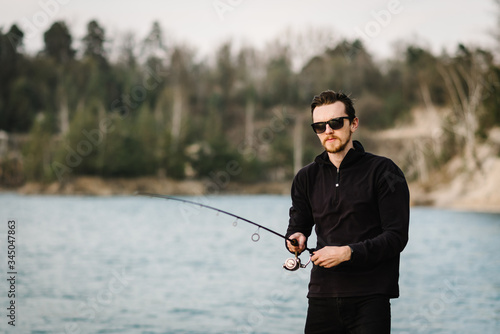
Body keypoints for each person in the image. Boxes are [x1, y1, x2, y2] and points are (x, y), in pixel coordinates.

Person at [286, 90, 410, 333]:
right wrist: (296, 239)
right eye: (320, 126)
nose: (328, 131)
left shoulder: (385, 171)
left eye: (335, 123)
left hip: (371, 298)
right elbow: (298, 225)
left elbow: (396, 237)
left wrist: (347, 253)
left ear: (353, 123)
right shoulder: (305, 177)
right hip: (321, 297)